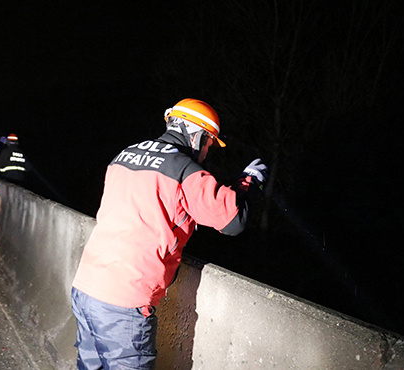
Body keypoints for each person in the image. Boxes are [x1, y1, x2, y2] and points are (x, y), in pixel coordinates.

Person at [71, 98, 267, 369]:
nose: (207, 152)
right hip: (125, 302)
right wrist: (249, 183)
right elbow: (232, 220)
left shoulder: (124, 155)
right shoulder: (184, 169)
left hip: (86, 287)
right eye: (209, 144)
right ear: (197, 137)